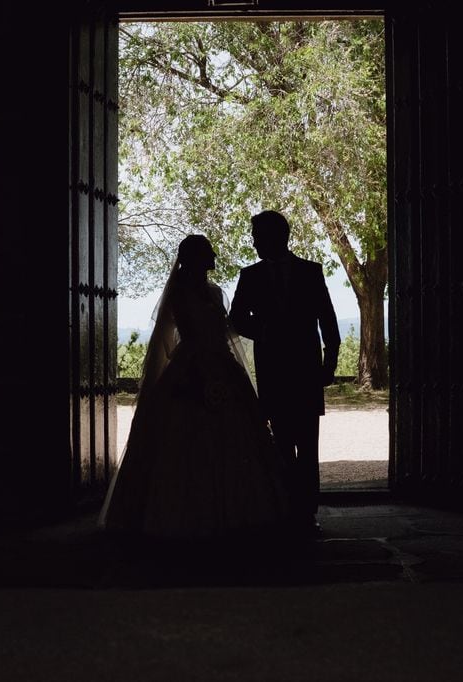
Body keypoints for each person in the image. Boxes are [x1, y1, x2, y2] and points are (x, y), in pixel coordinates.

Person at [100, 235, 291, 538]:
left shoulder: (215, 293)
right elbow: (179, 335)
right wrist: (199, 369)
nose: (214, 254)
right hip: (192, 366)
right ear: (197, 258)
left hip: (222, 364)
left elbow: (227, 331)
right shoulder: (179, 293)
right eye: (208, 251)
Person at [230, 210, 341, 535]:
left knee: (307, 446)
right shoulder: (249, 276)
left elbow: (328, 319)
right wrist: (262, 331)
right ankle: (283, 509)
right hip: (274, 372)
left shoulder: (312, 272)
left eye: (257, 236)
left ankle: (306, 514)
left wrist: (329, 362)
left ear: (277, 236)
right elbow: (236, 317)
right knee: (280, 445)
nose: (253, 243)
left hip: (306, 372)